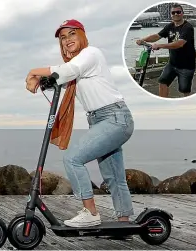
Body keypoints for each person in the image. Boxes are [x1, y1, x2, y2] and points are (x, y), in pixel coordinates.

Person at [25, 19, 135, 240]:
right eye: (63, 38)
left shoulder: (91, 53)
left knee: (73, 159)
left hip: (115, 118)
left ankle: (90, 212)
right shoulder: (76, 66)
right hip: (101, 120)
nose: (67, 40)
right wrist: (42, 82)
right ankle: (124, 225)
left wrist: (33, 72)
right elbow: (62, 77)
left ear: (82, 35)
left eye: (72, 34)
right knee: (113, 176)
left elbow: (67, 70)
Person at [136, 3, 196, 98]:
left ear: (182, 13)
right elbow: (157, 36)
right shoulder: (170, 26)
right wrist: (143, 40)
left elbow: (179, 44)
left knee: (184, 90)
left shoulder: (188, 28)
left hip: (186, 66)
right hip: (172, 64)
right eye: (173, 12)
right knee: (162, 82)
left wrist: (160, 46)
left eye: (178, 12)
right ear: (171, 14)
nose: (176, 14)